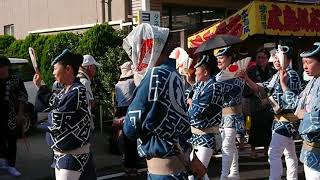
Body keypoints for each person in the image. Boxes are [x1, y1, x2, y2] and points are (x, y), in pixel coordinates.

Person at [123, 23, 192, 180]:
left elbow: (130, 128)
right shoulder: (173, 73)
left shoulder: (154, 76)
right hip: (179, 161)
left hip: (161, 169)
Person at [240, 45, 301, 180]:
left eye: (280, 58)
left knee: (274, 153)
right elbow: (260, 88)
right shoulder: (275, 75)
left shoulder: (292, 75)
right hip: (279, 119)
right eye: (275, 58)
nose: (276, 61)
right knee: (289, 153)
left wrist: (282, 87)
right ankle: (292, 177)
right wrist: (246, 78)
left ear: (288, 60)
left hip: (287, 119)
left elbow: (293, 102)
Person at [33, 49, 93, 180]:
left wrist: (40, 124)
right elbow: (51, 100)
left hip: (73, 155)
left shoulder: (78, 91)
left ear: (68, 69)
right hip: (66, 154)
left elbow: (56, 121)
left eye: (55, 69)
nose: (53, 73)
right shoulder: (66, 91)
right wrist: (40, 84)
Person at [279, 42, 320, 179]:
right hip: (310, 149)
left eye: (308, 62)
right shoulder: (312, 82)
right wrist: (284, 85)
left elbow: (312, 115)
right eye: (303, 62)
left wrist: (304, 117)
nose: (305, 67)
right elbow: (298, 104)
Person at [185, 55, 224, 180]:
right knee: (198, 174)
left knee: (197, 173)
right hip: (195, 135)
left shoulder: (214, 87)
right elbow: (187, 93)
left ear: (206, 72)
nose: (195, 72)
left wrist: (191, 102)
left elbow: (198, 111)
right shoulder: (202, 84)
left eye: (197, 70)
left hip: (206, 136)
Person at [214, 47, 245, 180]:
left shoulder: (238, 72)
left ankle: (224, 176)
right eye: (217, 59)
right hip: (222, 115)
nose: (219, 61)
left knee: (227, 145)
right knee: (230, 145)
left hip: (233, 114)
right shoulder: (219, 75)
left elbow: (237, 88)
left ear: (230, 58)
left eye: (221, 58)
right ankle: (234, 173)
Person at [243, 48, 276, 158]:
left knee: (268, 126)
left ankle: (267, 149)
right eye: (259, 57)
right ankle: (253, 150)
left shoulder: (272, 71)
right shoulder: (251, 71)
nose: (261, 59)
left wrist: (267, 98)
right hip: (255, 102)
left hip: (269, 102)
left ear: (267, 59)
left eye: (263, 57)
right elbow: (247, 88)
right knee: (255, 126)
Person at [0, 56, 28, 177]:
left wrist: (20, 113)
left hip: (11, 115)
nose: (1, 69)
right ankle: (3, 163)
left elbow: (22, 96)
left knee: (11, 141)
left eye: (2, 66)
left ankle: (11, 166)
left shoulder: (16, 80)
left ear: (7, 67)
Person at [113, 61, 140, 176]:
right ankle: (133, 167)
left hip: (120, 111)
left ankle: (126, 164)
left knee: (123, 139)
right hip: (130, 110)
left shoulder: (117, 85)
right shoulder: (133, 82)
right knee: (132, 139)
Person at [77, 54, 101, 130]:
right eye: (94, 67)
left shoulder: (76, 79)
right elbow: (91, 103)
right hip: (84, 120)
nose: (95, 70)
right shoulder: (85, 82)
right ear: (89, 67)